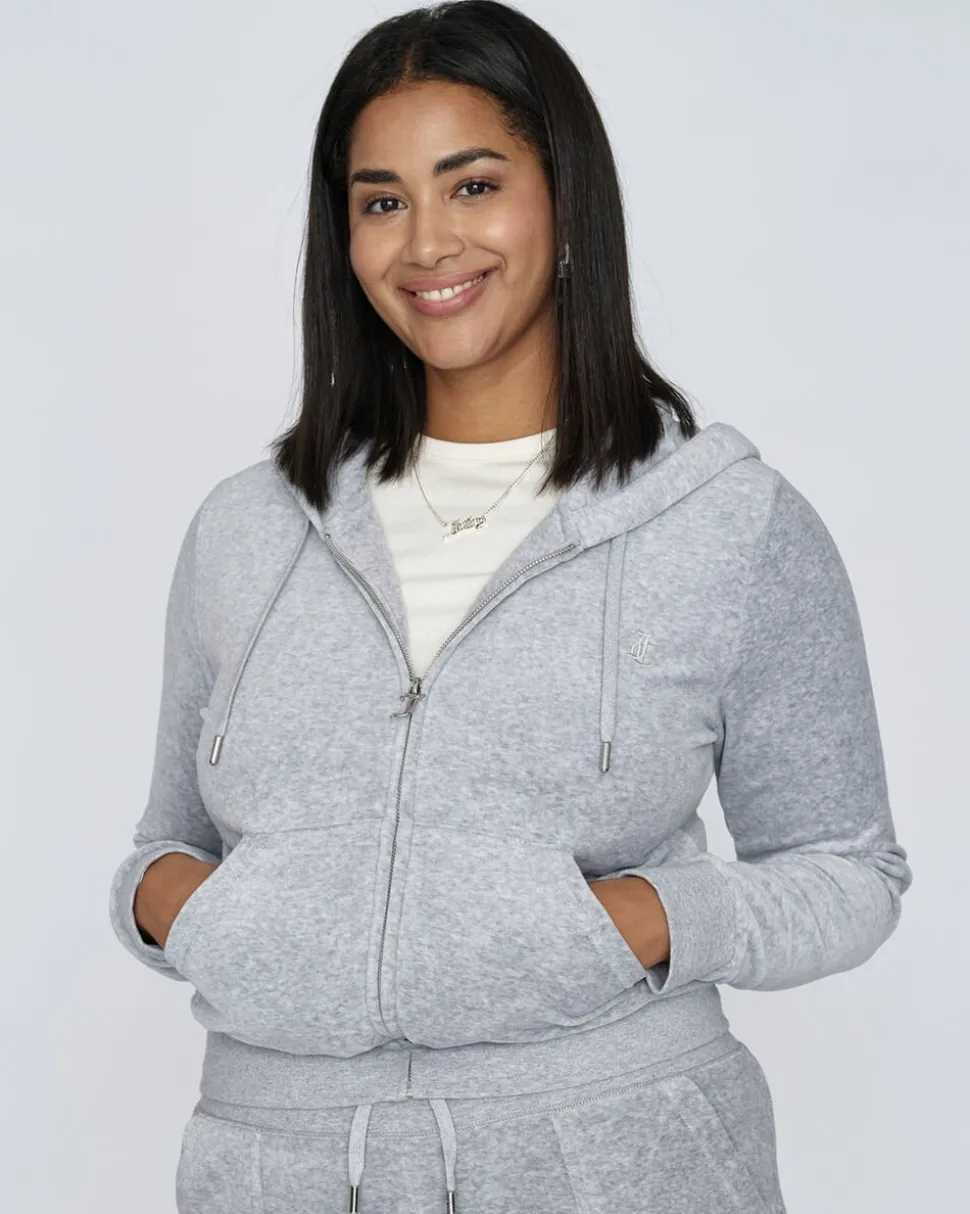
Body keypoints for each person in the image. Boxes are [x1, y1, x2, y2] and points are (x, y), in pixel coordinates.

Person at [108, 3, 913, 1211]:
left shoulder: (727, 524)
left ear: (565, 199)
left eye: (472, 185)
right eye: (382, 201)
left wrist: (644, 917)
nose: (428, 241)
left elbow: (850, 870)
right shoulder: (246, 528)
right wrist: (175, 907)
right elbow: (170, 841)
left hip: (616, 1157)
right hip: (274, 1162)